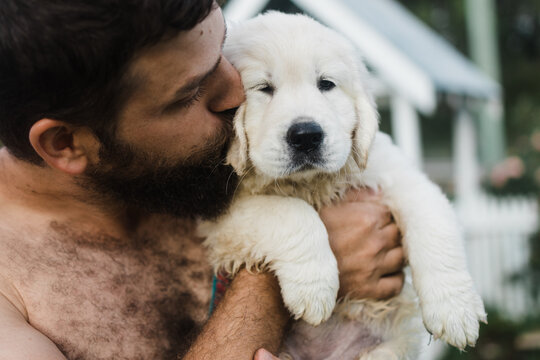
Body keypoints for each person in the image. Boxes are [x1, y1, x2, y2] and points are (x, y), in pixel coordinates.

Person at [0, 1, 405, 359]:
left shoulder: (202, 170)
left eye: (223, 51)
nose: (236, 92)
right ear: (65, 142)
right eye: (189, 94)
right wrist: (279, 278)